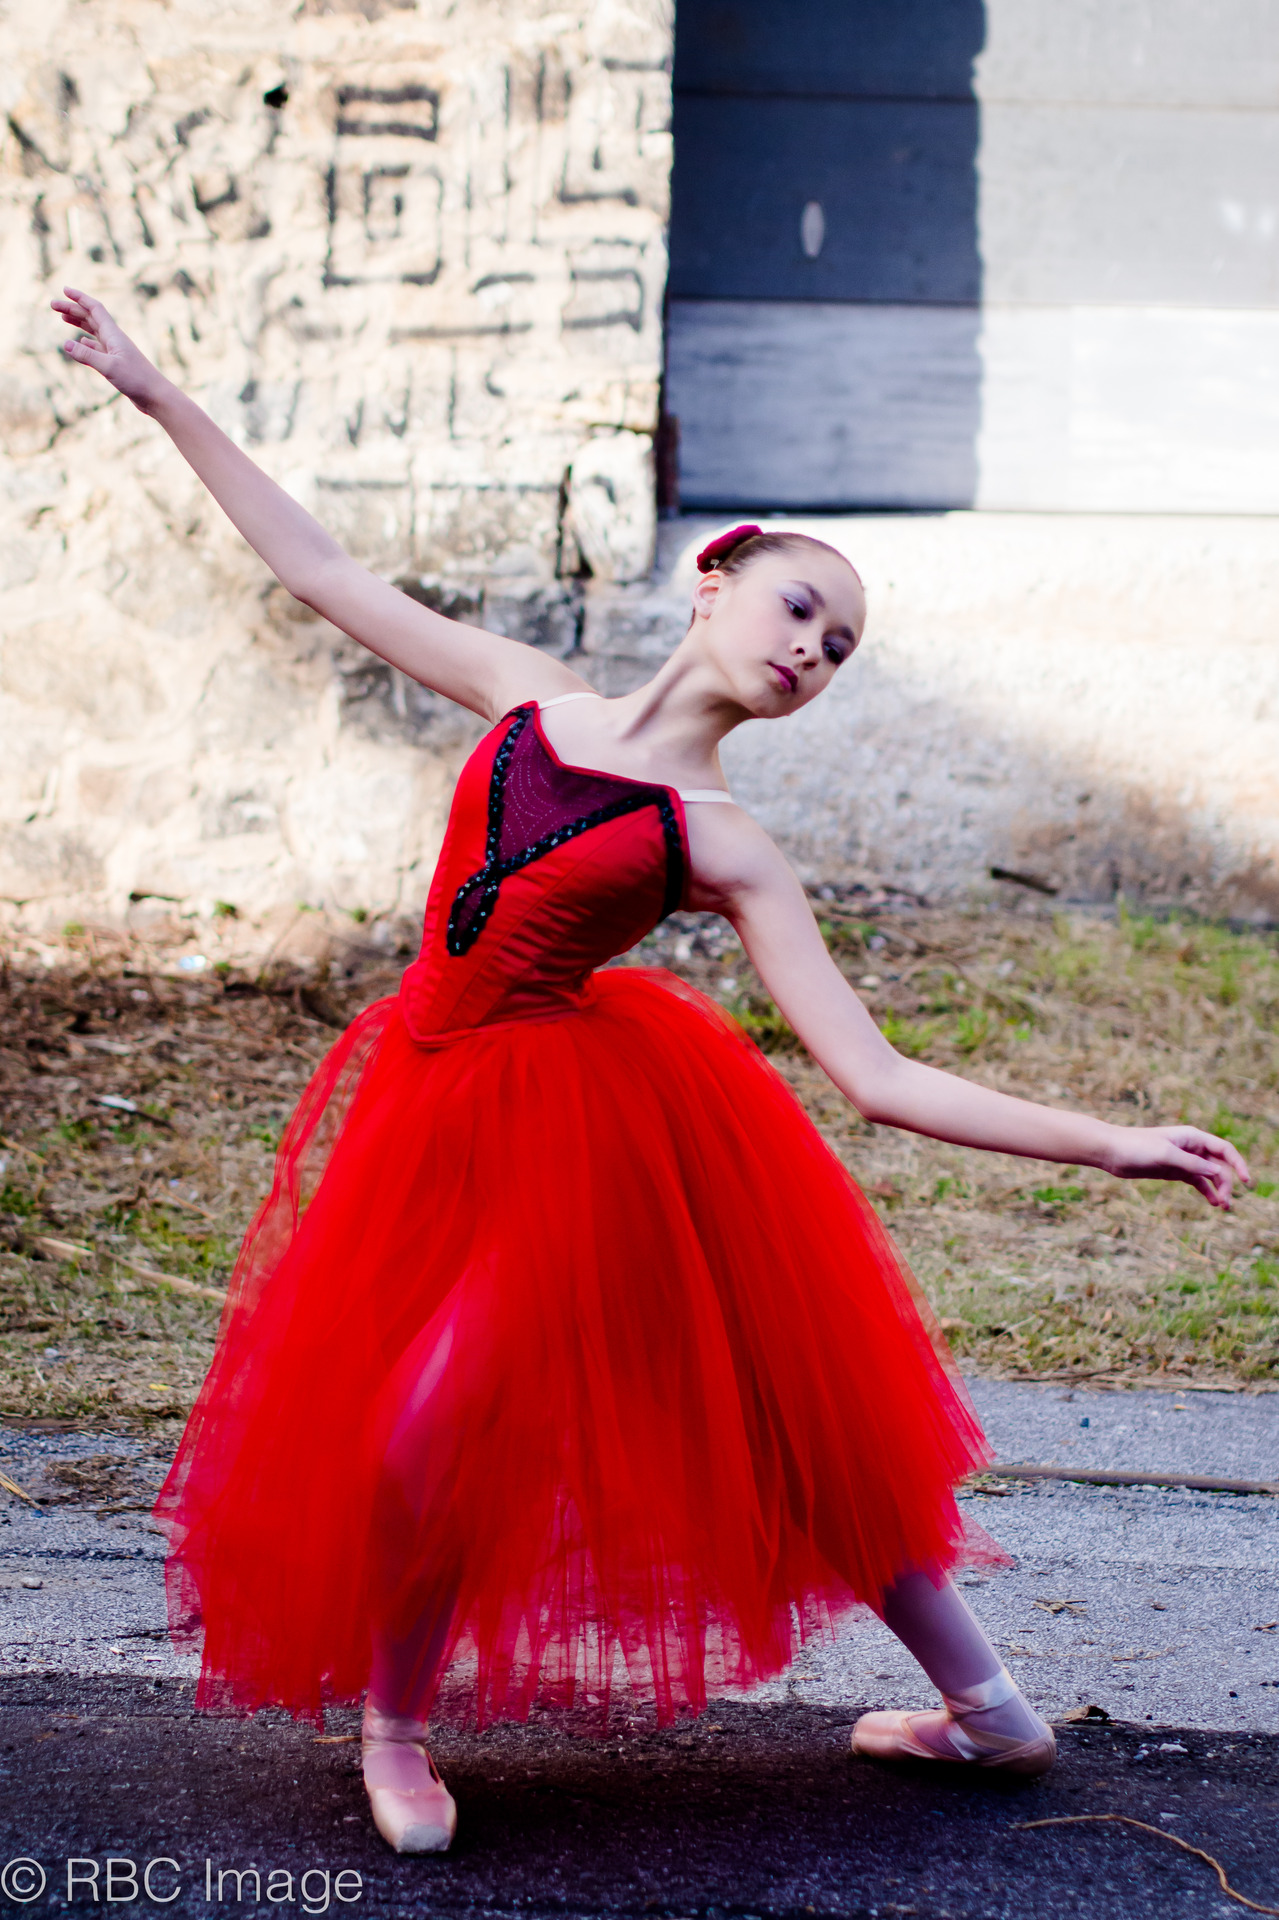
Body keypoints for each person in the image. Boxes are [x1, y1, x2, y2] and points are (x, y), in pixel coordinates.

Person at [55, 287, 1248, 1854]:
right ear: (715, 580)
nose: (813, 650)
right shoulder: (525, 696)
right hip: (430, 1102)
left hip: (576, 1142)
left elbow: (878, 1075)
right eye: (801, 609)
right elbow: (323, 569)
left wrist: (1108, 1142)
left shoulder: (723, 841)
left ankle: (418, 1732)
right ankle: (979, 1711)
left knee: (500, 1425)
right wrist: (156, 391)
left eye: (839, 650)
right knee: (657, 1415)